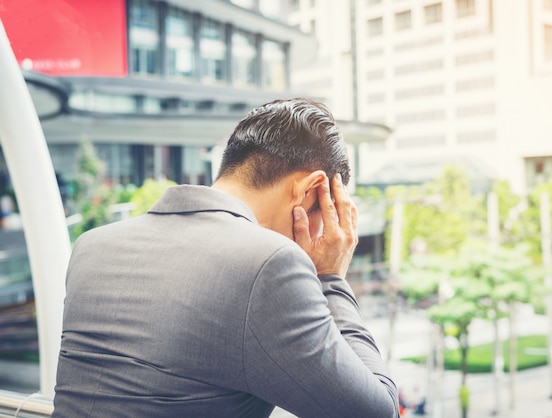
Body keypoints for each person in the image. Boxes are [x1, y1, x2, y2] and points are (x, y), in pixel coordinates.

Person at [52, 98, 399, 417]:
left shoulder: (92, 246)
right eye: (329, 213)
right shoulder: (269, 264)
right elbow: (377, 412)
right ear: (310, 190)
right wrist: (332, 279)